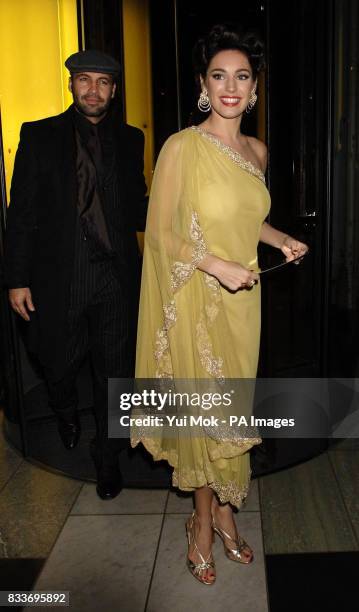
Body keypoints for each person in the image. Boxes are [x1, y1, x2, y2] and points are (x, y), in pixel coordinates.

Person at [131, 24, 308, 584]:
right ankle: (203, 525)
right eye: (219, 75)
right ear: (204, 85)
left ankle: (226, 512)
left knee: (230, 414)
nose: (231, 87)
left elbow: (244, 218)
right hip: (195, 299)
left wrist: (278, 239)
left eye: (242, 76)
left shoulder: (257, 150)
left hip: (242, 303)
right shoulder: (181, 147)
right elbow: (160, 233)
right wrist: (214, 264)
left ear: (255, 89)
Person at [4, 50, 147, 500]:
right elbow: (22, 212)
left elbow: (138, 205)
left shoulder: (129, 139)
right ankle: (64, 409)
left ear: (114, 90)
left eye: (103, 83)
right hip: (58, 275)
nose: (93, 91)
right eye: (84, 81)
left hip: (115, 276)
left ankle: (106, 455)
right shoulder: (40, 135)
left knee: (114, 372)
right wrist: (16, 277)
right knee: (57, 362)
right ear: (71, 85)